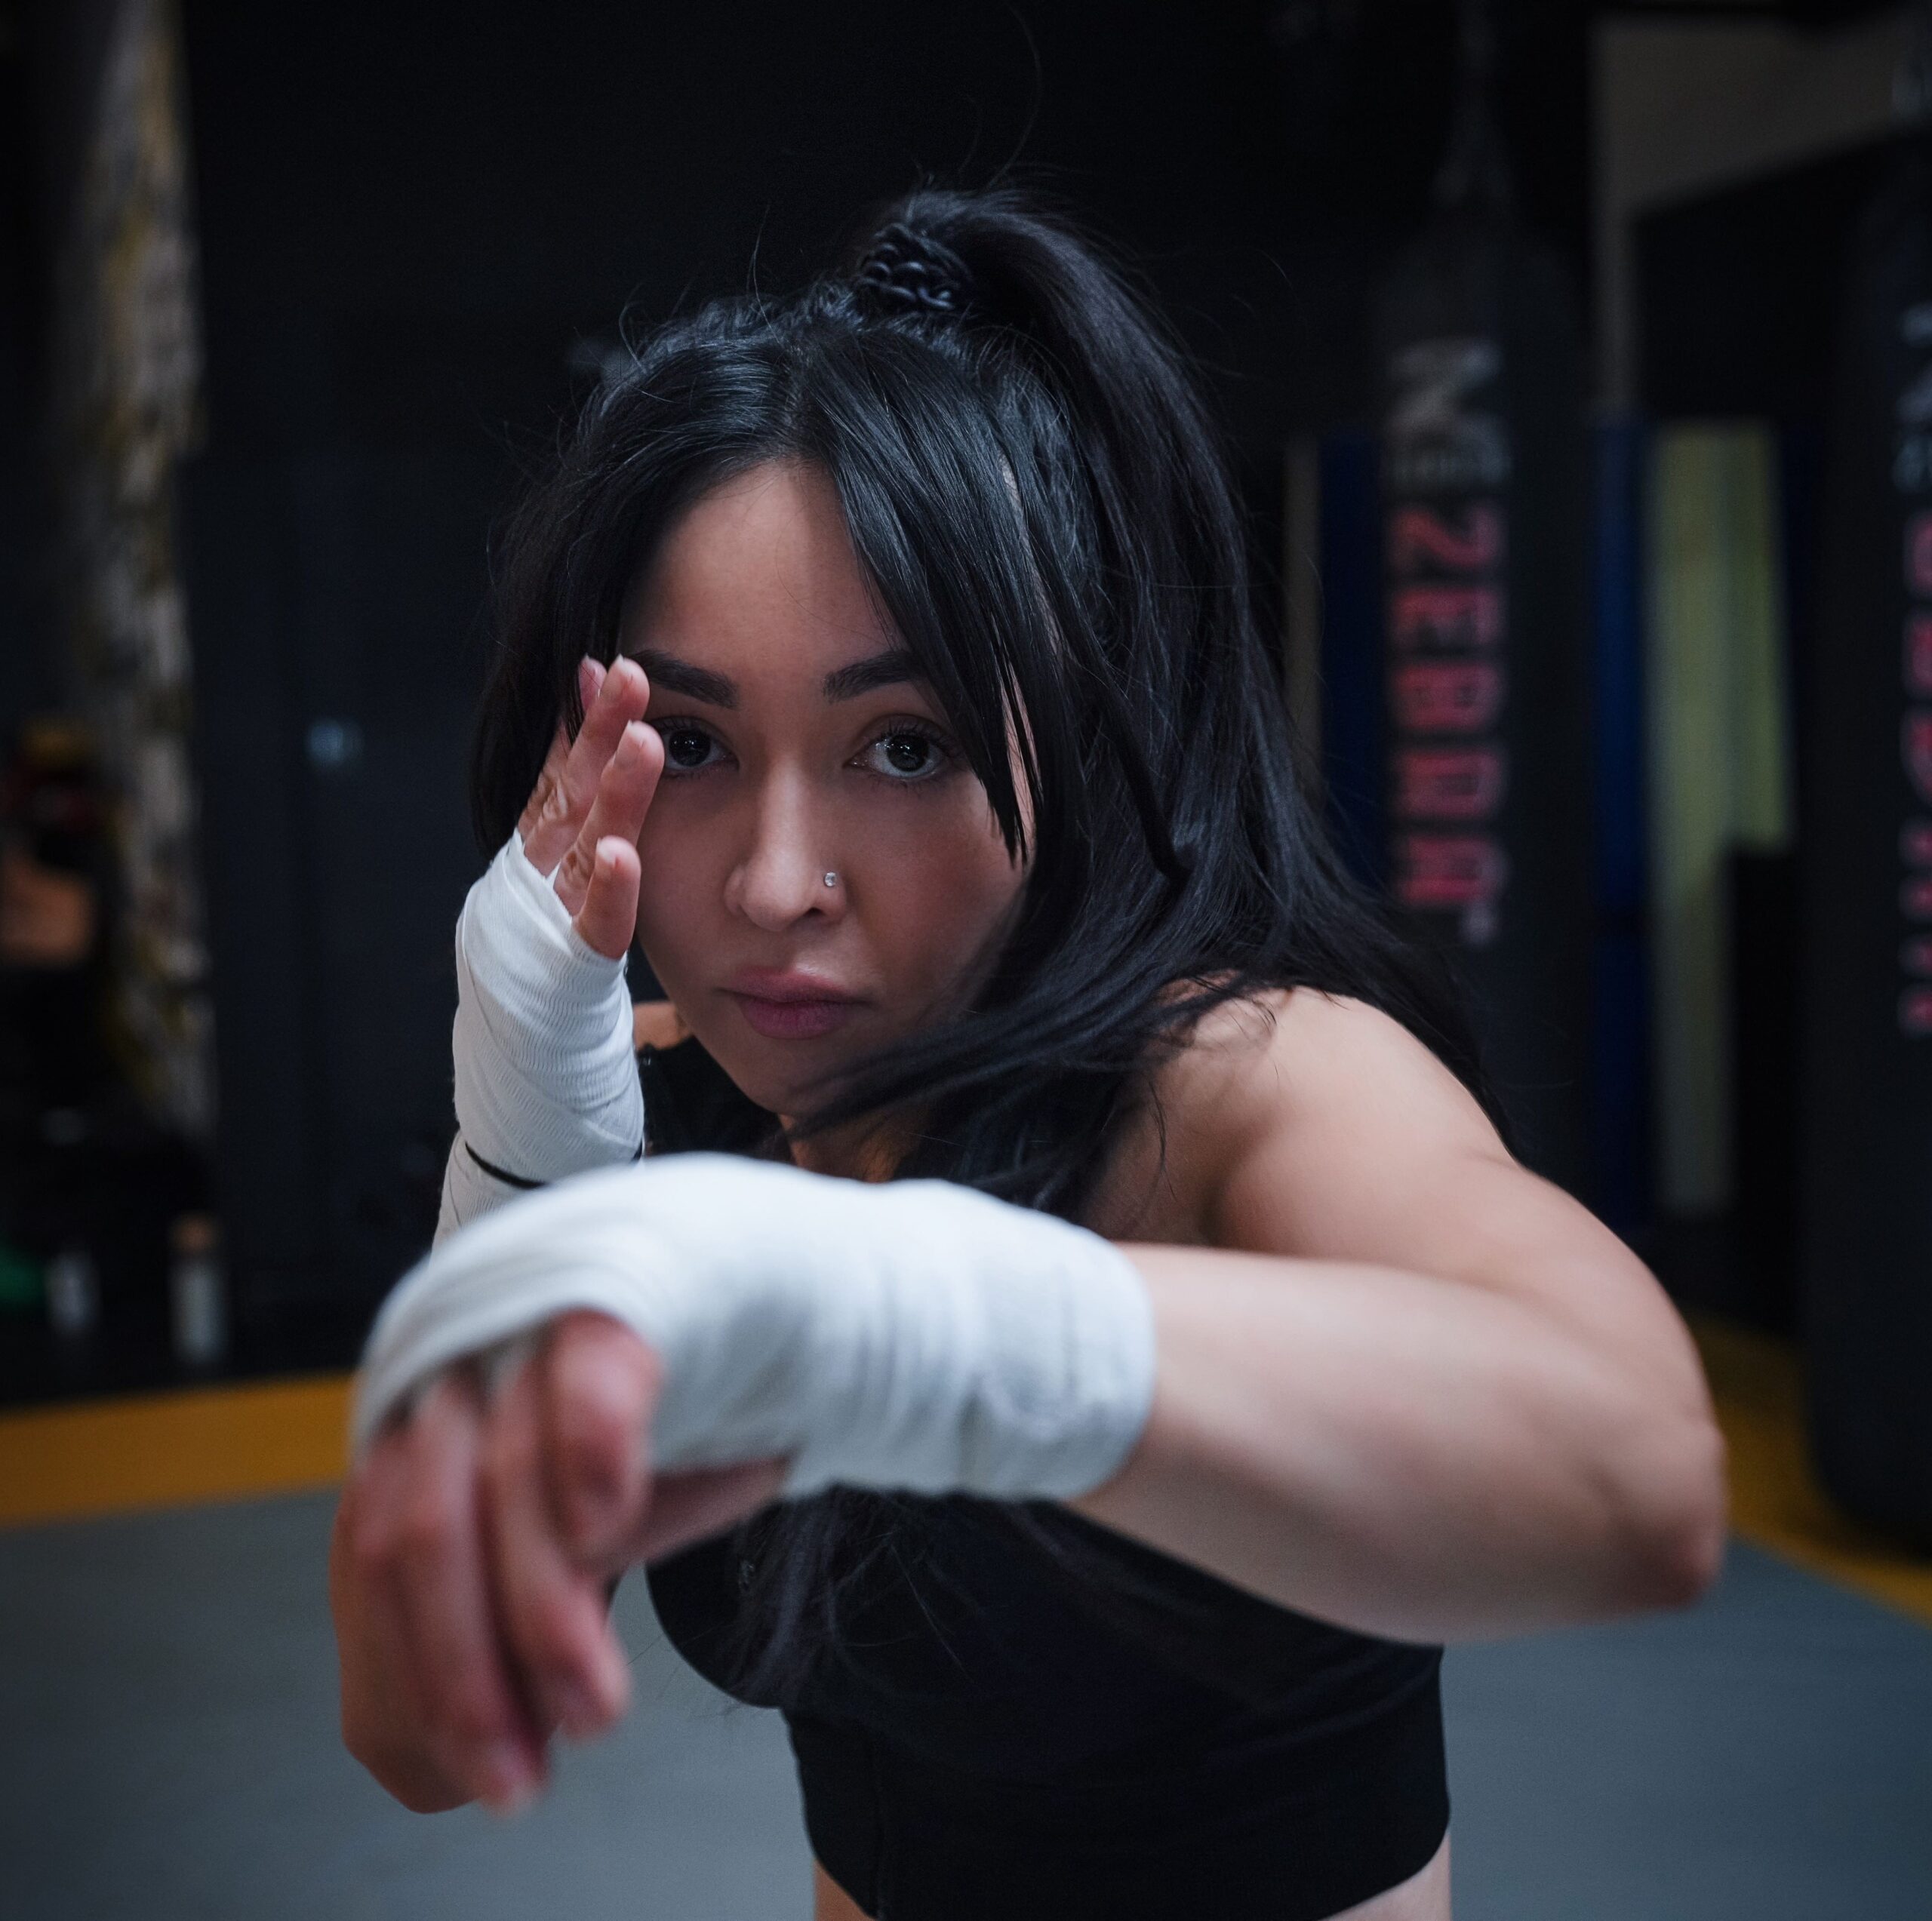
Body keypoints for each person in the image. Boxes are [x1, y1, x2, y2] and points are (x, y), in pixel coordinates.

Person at [328, 189, 1727, 1921]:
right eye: (688, 741)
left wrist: (900, 1309)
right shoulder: (674, 1107)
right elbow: (421, 1745)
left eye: (901, 746)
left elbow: (1640, 1471)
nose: (776, 884)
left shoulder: (1236, 1082)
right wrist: (515, 1172)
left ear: (1070, 722)